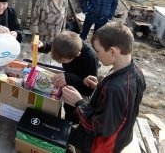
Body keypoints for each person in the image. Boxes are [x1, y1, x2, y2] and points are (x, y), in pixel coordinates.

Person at [62, 22, 146, 152]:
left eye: (98, 51)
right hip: (121, 136)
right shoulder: (134, 71)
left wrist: (78, 102)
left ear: (112, 51)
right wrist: (99, 86)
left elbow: (98, 127)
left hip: (101, 146)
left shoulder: (115, 88)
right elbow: (121, 107)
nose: (96, 55)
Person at [38, 31, 98, 123]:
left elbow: (89, 90)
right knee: (66, 107)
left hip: (78, 94)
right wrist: (43, 46)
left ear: (77, 54)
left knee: (73, 115)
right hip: (69, 84)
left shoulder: (90, 58)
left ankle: (70, 126)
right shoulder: (66, 43)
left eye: (63, 61)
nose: (60, 62)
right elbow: (54, 46)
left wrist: (69, 78)